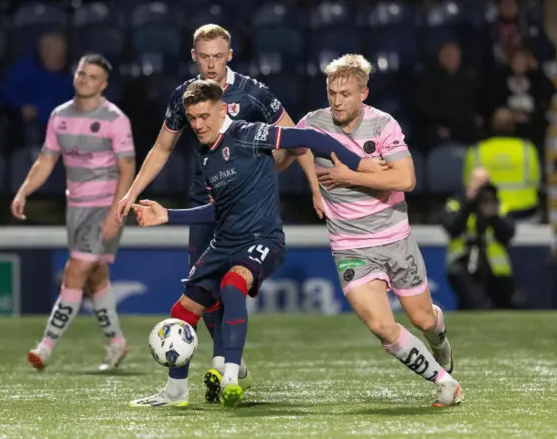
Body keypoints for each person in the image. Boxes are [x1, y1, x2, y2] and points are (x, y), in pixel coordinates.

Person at [127, 79, 383, 408]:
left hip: (263, 239)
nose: (198, 125)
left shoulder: (248, 134)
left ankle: (231, 377)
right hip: (225, 243)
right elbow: (219, 210)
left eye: (205, 116)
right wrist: (168, 216)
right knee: (182, 311)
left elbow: (307, 137)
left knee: (233, 285)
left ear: (222, 110)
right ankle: (175, 393)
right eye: (192, 118)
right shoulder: (207, 156)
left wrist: (359, 163)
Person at [116, 24, 322, 401]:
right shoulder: (187, 97)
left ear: (229, 56)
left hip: (241, 208)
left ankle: (225, 366)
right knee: (201, 292)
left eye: (218, 56)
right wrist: (132, 192)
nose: (211, 64)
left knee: (231, 286)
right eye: (204, 57)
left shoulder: (254, 92)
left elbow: (295, 139)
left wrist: (307, 183)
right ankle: (226, 364)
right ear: (194, 56)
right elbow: (162, 148)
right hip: (203, 203)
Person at [301, 54, 464, 407]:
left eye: (345, 93)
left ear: (364, 93)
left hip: (394, 238)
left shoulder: (383, 125)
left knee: (422, 318)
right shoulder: (314, 123)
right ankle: (444, 381)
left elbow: (405, 179)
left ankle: (439, 341)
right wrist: (314, 185)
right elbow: (293, 150)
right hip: (349, 244)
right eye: (332, 93)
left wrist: (351, 176)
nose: (337, 100)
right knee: (380, 326)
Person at [11, 54, 136, 371]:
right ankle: (117, 344)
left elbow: (127, 169)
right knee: (96, 278)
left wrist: (115, 213)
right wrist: (25, 189)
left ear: (103, 84)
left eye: (93, 76)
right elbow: (46, 160)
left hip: (104, 206)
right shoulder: (59, 116)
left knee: (75, 271)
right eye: (82, 73)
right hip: (76, 208)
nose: (85, 79)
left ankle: (45, 347)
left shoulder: (115, 119)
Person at [444, 168, 519, 309]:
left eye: (484, 183)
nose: (480, 188)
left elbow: (507, 235)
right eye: (476, 182)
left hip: (497, 270)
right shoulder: (455, 204)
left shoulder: (500, 207)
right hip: (462, 265)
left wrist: (493, 216)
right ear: (468, 183)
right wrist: (468, 205)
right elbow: (452, 228)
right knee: (474, 303)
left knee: (502, 308)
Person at [463, 107, 541, 222]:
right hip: (523, 213)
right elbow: (536, 182)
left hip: (489, 215)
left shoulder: (476, 151)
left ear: (491, 125)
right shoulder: (528, 149)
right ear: (514, 126)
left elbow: (469, 188)